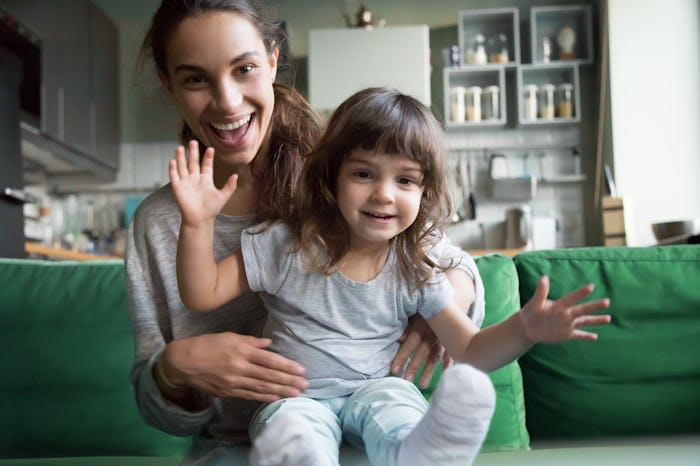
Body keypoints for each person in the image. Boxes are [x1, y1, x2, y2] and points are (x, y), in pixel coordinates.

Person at [170, 86, 612, 466]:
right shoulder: (285, 243)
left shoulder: (414, 265)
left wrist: (525, 328)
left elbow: (471, 350)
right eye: (364, 173)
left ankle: (421, 453)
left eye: (405, 180)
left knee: (398, 412)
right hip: (296, 399)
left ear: (424, 191)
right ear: (332, 178)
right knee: (294, 429)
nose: (383, 193)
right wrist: (197, 222)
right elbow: (201, 292)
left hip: (377, 390)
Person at [126, 1, 482, 464]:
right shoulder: (159, 223)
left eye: (245, 68)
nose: (228, 101)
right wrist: (175, 368)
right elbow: (160, 412)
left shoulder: (340, 176)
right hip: (241, 446)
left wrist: (431, 303)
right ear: (169, 85)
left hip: (367, 438)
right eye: (196, 78)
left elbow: (450, 262)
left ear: (273, 60)